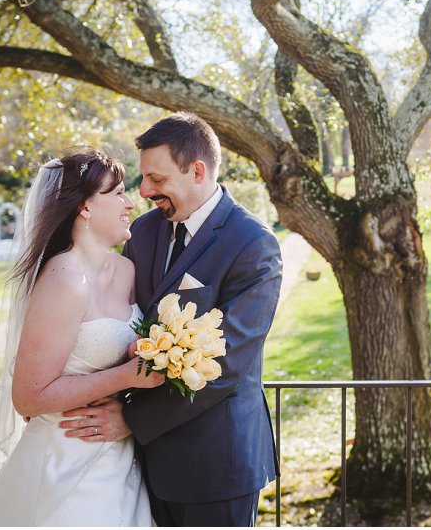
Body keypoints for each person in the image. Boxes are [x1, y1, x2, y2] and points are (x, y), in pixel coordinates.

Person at [58, 112, 283, 527]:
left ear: (197, 171)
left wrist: (130, 420)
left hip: (215, 463)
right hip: (136, 465)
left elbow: (225, 365)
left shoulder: (253, 244)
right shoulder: (142, 233)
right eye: (143, 179)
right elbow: (117, 321)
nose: (144, 191)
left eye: (157, 180)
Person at [0, 149, 163, 527]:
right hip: (64, 455)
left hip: (119, 454)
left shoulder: (126, 271)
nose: (129, 202)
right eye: (117, 192)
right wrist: (125, 377)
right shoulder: (64, 280)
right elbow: (27, 396)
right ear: (85, 208)